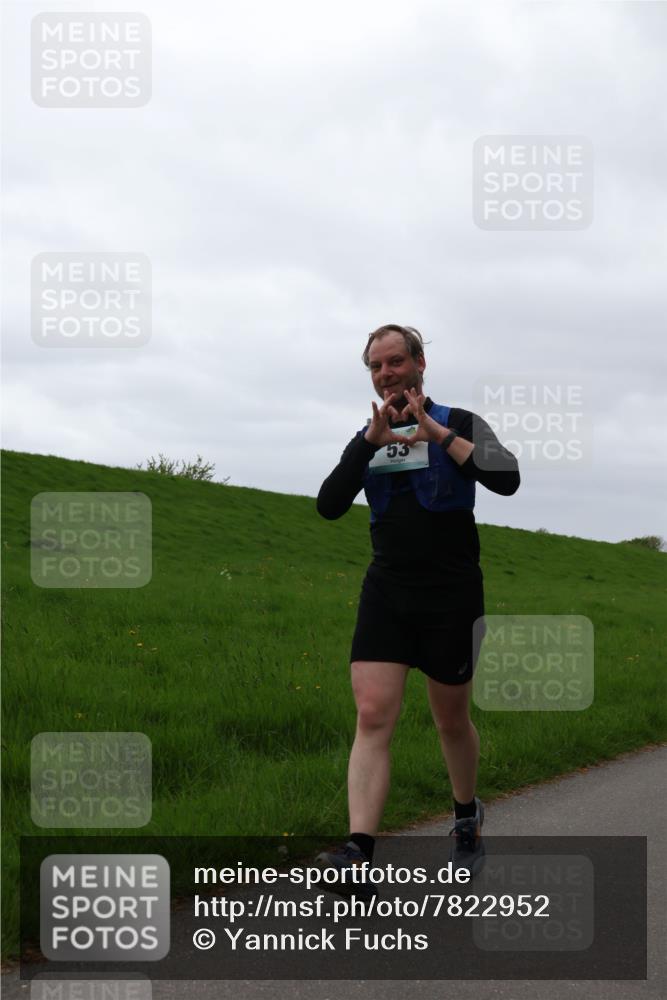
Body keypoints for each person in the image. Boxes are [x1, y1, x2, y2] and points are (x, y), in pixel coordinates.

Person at [314, 324, 520, 895]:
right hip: (388, 590)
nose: (387, 374)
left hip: (452, 594)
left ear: (420, 363)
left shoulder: (459, 422)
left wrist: (435, 433)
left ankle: (464, 817)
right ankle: (359, 851)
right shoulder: (370, 435)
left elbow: (508, 480)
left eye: (396, 361)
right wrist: (368, 445)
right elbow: (329, 505)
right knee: (373, 714)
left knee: (450, 719)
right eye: (377, 367)